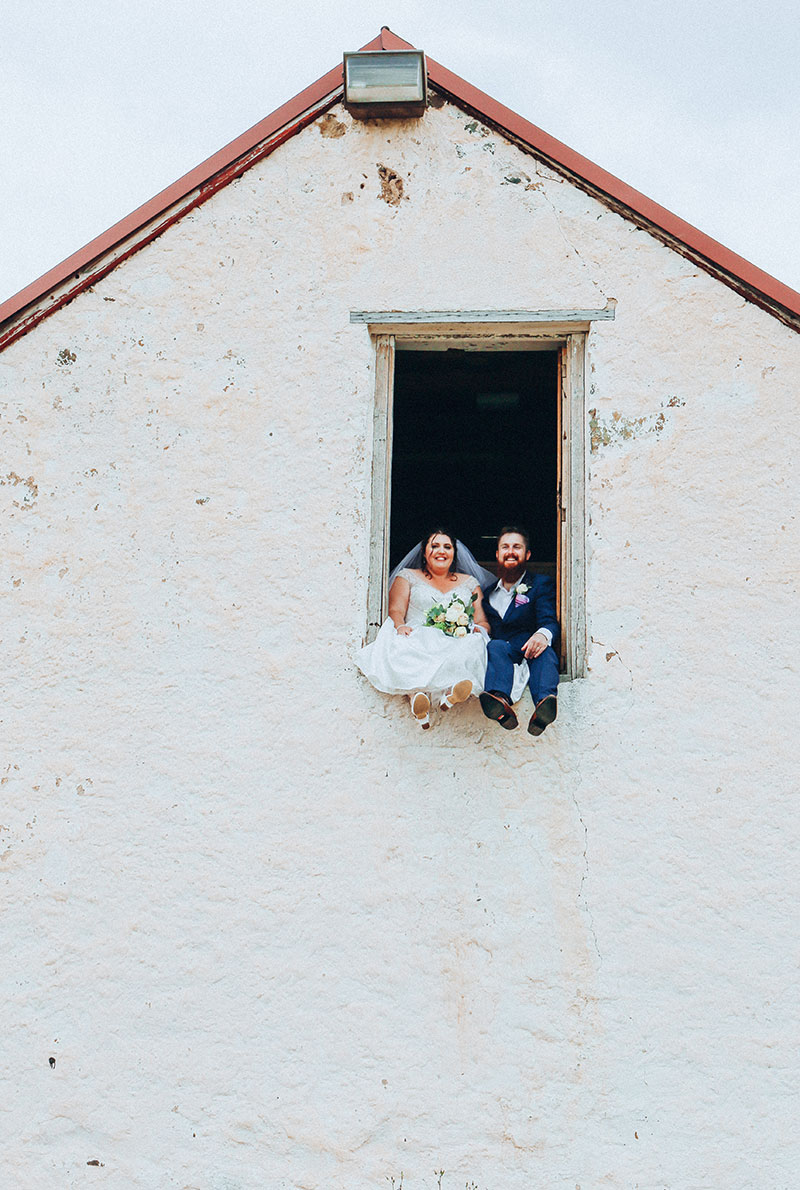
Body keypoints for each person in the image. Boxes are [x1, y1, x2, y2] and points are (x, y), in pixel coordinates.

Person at [356, 529, 490, 729]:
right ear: (424, 552)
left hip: (455, 636)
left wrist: (479, 630)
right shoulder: (408, 576)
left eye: (447, 546)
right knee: (409, 642)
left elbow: (482, 620)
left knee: (474, 642)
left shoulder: (469, 582)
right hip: (417, 631)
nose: (441, 551)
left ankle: (451, 692)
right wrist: (400, 626)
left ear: (454, 552)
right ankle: (417, 696)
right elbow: (396, 609)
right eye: (434, 546)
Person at [479, 526, 560, 737]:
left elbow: (549, 620)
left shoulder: (540, 584)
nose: (510, 551)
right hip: (503, 651)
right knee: (494, 646)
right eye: (505, 547)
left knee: (545, 653)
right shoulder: (487, 595)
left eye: (517, 547)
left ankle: (544, 707)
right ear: (497, 554)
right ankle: (500, 704)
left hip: (531, 647)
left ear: (527, 554)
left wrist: (542, 635)